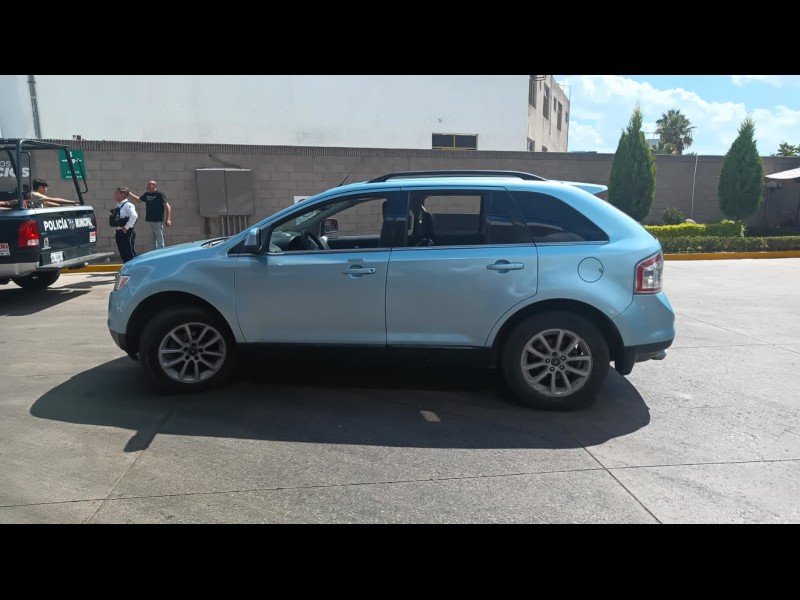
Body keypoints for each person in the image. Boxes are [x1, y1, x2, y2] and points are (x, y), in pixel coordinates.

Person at [129, 180, 171, 250]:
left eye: (149, 185)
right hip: (149, 220)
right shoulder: (147, 194)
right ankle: (153, 254)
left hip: (158, 220)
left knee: (160, 240)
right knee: (152, 240)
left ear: (154, 186)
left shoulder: (159, 194)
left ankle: (161, 254)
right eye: (147, 185)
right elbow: (139, 200)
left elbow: (168, 206)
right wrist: (129, 193)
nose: (147, 186)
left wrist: (168, 219)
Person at [113, 187, 138, 263]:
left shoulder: (127, 205)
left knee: (129, 253)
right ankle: (127, 267)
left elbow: (134, 216)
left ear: (123, 195)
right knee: (123, 253)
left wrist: (126, 227)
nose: (115, 194)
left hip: (127, 232)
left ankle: (134, 268)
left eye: (117, 193)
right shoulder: (119, 205)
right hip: (119, 232)